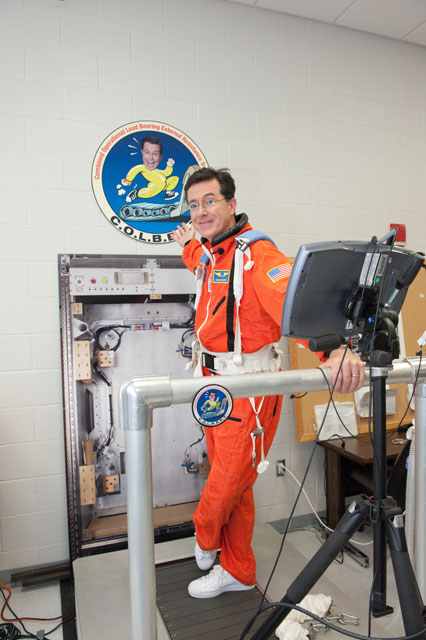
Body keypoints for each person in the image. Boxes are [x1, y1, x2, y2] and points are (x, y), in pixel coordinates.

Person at [170, 168, 365, 599]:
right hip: (214, 389)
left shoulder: (258, 257)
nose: (201, 212)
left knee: (225, 484)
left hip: (250, 392)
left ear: (231, 204)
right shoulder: (210, 253)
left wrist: (336, 349)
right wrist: (186, 242)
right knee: (235, 487)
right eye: (194, 204)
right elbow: (196, 259)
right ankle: (238, 571)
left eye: (210, 201)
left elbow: (299, 305)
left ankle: (205, 538)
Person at [121, 136, 179, 201]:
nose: (151, 158)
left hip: (163, 185)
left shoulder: (156, 171)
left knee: (175, 179)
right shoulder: (142, 167)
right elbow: (135, 170)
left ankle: (168, 193)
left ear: (160, 157)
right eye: (147, 152)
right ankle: (137, 194)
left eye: (155, 154)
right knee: (150, 192)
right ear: (142, 153)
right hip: (155, 187)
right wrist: (127, 181)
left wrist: (169, 166)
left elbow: (166, 173)